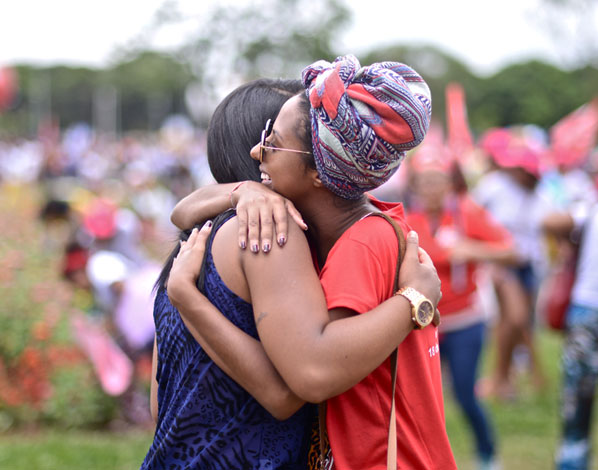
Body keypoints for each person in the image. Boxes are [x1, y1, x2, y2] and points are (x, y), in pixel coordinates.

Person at [142, 70, 451, 470]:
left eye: (272, 140)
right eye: (264, 135)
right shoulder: (265, 229)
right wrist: (416, 300)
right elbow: (300, 382)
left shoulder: (193, 244)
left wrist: (187, 297)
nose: (259, 150)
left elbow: (159, 406)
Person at [404, 147, 519, 470]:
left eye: (438, 180)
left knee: (466, 395)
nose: (431, 189)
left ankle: (487, 454)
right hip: (422, 322)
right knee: (419, 400)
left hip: (466, 320)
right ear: (415, 185)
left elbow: (511, 251)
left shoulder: (467, 214)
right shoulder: (406, 219)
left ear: (450, 183)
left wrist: (472, 250)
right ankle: (423, 459)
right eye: (425, 181)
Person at [472, 127, 552, 400]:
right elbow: (471, 217)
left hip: (530, 265)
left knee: (519, 324)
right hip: (502, 264)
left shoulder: (540, 194)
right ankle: (498, 379)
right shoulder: (494, 186)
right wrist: (487, 255)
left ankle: (506, 379)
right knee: (515, 318)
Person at [542, 168, 598, 470]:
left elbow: (549, 221)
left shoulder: (590, 212)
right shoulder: (591, 213)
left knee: (577, 403)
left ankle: (573, 461)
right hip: (588, 312)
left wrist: (567, 244)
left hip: (587, 313)